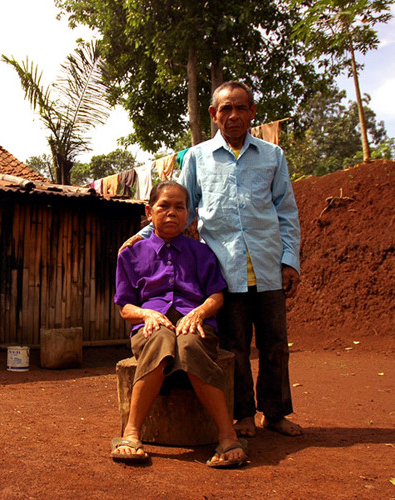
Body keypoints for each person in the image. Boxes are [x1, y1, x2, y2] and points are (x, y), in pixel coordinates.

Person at [122, 81, 302, 438]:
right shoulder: (198, 158)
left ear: (252, 112)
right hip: (223, 270)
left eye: (241, 108)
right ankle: (244, 415)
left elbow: (286, 212)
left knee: (275, 345)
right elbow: (179, 206)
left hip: (267, 266)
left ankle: (276, 413)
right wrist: (142, 236)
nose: (233, 115)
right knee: (234, 346)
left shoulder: (272, 156)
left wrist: (290, 261)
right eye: (225, 109)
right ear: (213, 114)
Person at [112, 180, 248, 468]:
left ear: (189, 214)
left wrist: (198, 313)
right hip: (150, 328)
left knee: (188, 346)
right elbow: (125, 307)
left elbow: (216, 295)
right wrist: (147, 314)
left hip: (195, 325)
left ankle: (227, 436)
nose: (171, 213)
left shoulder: (201, 252)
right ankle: (131, 434)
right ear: (149, 212)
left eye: (179, 207)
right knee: (161, 339)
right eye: (164, 206)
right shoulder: (131, 254)